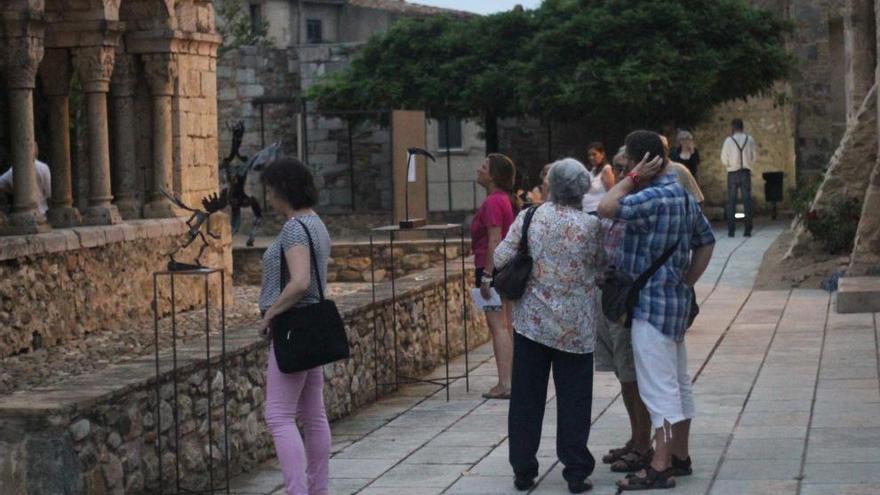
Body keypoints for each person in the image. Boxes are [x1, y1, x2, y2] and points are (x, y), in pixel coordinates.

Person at [598, 131, 715, 491]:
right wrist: (685, 281)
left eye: (629, 164)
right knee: (678, 384)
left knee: (657, 388)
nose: (627, 171)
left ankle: (660, 466)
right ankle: (679, 455)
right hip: (674, 304)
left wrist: (632, 179)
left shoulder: (651, 196)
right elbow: (706, 241)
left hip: (649, 307)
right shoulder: (681, 194)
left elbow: (606, 207)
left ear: (641, 163)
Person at [496, 158, 603, 494]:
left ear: (551, 185)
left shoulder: (531, 216)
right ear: (583, 189)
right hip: (576, 328)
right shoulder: (591, 226)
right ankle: (575, 471)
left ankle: (524, 470)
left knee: (527, 399)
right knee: (574, 401)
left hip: (532, 324)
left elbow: (500, 257)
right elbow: (602, 268)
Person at [258, 158, 332, 495]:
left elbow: (300, 281)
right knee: (313, 414)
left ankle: (297, 490)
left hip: (293, 328)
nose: (268, 195)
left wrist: (271, 313)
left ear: (283, 189)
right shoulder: (315, 222)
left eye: (270, 188)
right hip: (314, 325)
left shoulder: (293, 228)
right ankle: (317, 489)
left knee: (278, 415)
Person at [594, 148, 654, 475]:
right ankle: (636, 438)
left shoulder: (638, 201)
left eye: (625, 168)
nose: (619, 174)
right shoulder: (619, 197)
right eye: (616, 168)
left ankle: (644, 445)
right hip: (608, 295)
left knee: (633, 376)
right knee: (623, 375)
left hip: (627, 299)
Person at [471, 153, 517, 399]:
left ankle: (506, 383)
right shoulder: (503, 200)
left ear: (493, 175)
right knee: (505, 324)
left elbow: (494, 240)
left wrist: (487, 275)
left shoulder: (492, 202)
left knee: (497, 325)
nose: (479, 169)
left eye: (484, 166)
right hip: (502, 267)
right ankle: (510, 379)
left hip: (490, 268)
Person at [721, 118, 757, 237]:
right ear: (742, 127)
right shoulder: (749, 139)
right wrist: (749, 164)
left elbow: (723, 158)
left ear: (733, 128)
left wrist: (730, 164)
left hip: (732, 173)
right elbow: (754, 157)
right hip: (745, 172)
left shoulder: (728, 141)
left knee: (732, 202)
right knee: (747, 202)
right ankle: (748, 230)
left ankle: (731, 230)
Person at [0, 142, 51, 214]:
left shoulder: (14, 169)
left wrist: (14, 190)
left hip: (21, 213)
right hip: (41, 211)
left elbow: (1, 183)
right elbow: (49, 193)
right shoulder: (43, 167)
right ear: (36, 151)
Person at [659, 135, 705, 205]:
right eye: (684, 140)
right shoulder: (675, 153)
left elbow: (697, 166)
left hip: (690, 175)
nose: (686, 142)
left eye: (688, 139)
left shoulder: (694, 152)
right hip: (678, 177)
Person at [581, 142, 616, 214]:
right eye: (589, 155)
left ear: (602, 154)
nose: (591, 158)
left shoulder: (606, 170)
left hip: (597, 211)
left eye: (594, 154)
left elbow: (611, 192)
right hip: (586, 210)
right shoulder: (592, 171)